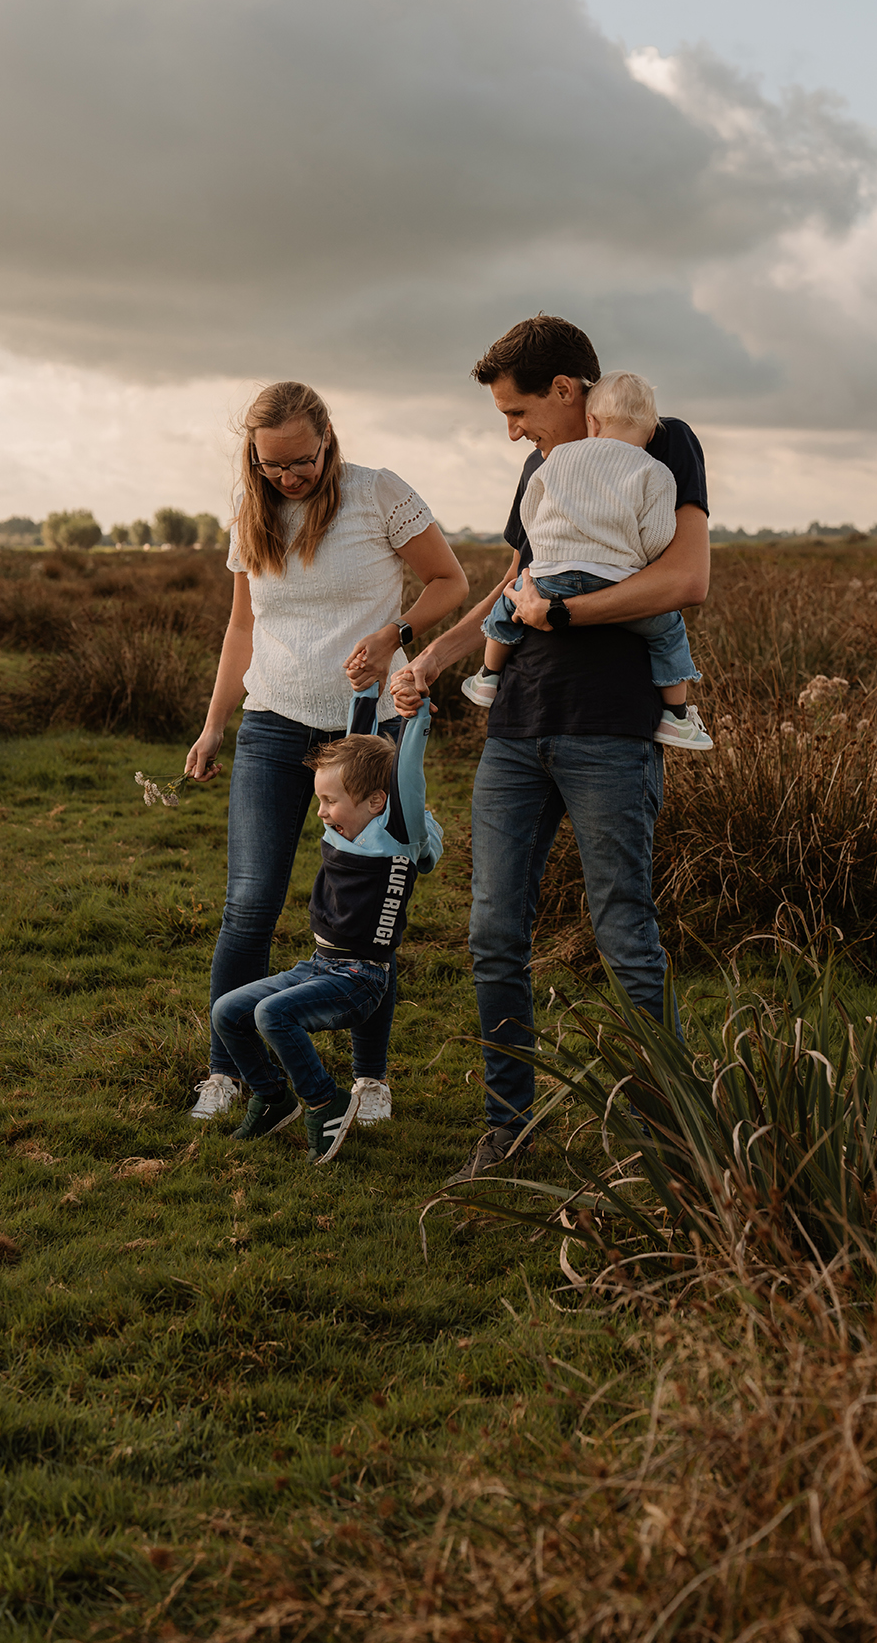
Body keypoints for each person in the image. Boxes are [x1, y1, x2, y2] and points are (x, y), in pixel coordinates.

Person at [391, 315, 710, 1185]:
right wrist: (432, 657)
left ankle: (675, 1144)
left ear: (567, 392)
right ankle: (509, 1130)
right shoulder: (541, 471)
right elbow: (516, 584)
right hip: (517, 729)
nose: (513, 432)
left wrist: (564, 614)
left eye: (519, 411)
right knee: (493, 933)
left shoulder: (663, 441)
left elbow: (685, 578)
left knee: (624, 936)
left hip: (610, 729)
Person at [184, 380, 468, 1123]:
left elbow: (451, 580)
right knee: (248, 906)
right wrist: (216, 725)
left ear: (327, 439)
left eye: (301, 462)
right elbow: (241, 630)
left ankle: (369, 1081)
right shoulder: (252, 518)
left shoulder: (379, 496)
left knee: (366, 913)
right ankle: (229, 1072)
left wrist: (394, 634)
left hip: (364, 734)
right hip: (273, 724)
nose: (288, 477)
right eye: (272, 465)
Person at [208, 682, 443, 1163]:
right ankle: (274, 1098)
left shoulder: (398, 831)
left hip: (361, 978)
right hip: (319, 965)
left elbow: (408, 774)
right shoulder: (349, 817)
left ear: (377, 801)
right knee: (228, 1011)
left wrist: (415, 719)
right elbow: (358, 743)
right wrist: (366, 692)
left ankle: (323, 1100)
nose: (321, 812)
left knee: (271, 1015)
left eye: (330, 802)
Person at [461, 370, 711, 751]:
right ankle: (676, 716)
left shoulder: (556, 458)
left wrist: (548, 552)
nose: (514, 430)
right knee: (669, 633)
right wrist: (636, 559)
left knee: (509, 600)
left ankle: (487, 676)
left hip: (550, 576)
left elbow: (531, 513)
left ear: (591, 422)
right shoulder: (655, 469)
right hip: (615, 581)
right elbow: (659, 534)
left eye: (518, 413)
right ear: (649, 431)